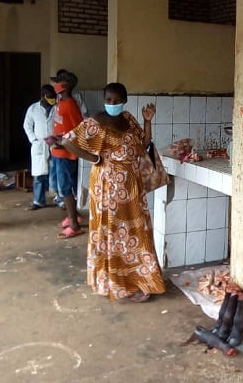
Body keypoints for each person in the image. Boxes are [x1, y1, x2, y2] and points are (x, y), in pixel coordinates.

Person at [56, 82, 165, 302]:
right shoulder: (95, 122)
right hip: (106, 186)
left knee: (137, 231)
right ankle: (114, 282)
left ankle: (142, 280)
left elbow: (143, 145)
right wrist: (95, 158)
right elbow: (68, 141)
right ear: (104, 100)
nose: (112, 104)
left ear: (124, 100)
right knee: (111, 232)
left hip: (131, 185)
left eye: (116, 100)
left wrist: (147, 121)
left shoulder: (129, 119)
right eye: (108, 100)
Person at [51, 71, 85, 238]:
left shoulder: (70, 105)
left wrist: (60, 140)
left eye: (57, 82)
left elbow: (79, 129)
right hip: (58, 150)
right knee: (62, 187)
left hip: (65, 153)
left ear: (65, 86)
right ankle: (74, 215)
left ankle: (74, 224)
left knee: (65, 188)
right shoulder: (61, 103)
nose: (54, 85)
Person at [23, 84, 57, 210]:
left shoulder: (57, 107)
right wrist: (34, 140)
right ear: (43, 96)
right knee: (39, 176)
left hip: (55, 143)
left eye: (54, 97)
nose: (52, 99)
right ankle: (38, 201)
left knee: (55, 173)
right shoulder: (33, 108)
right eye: (50, 97)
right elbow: (27, 125)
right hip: (39, 144)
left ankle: (60, 199)